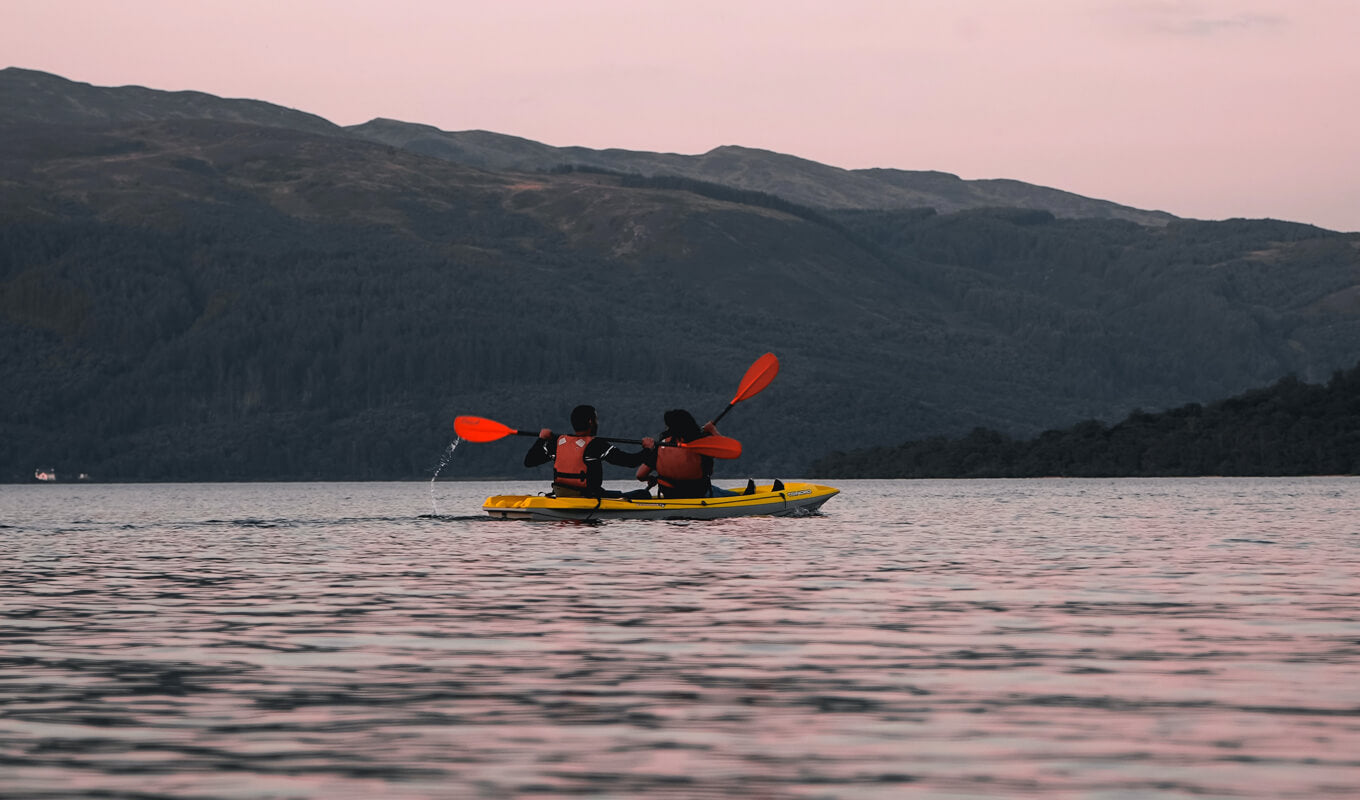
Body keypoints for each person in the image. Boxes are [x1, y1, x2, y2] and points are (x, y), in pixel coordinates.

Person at [524, 404, 653, 499]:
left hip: (561, 495)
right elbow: (630, 462)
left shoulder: (556, 443)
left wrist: (541, 439)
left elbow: (529, 461)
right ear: (591, 422)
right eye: (596, 419)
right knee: (643, 494)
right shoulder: (596, 445)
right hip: (590, 496)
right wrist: (648, 448)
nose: (597, 422)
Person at [636, 409, 743, 499]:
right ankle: (742, 496)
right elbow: (723, 448)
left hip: (670, 495)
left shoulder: (659, 447)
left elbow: (640, 475)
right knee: (735, 496)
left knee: (718, 491)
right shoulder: (701, 445)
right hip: (698, 494)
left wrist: (651, 479)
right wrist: (712, 430)